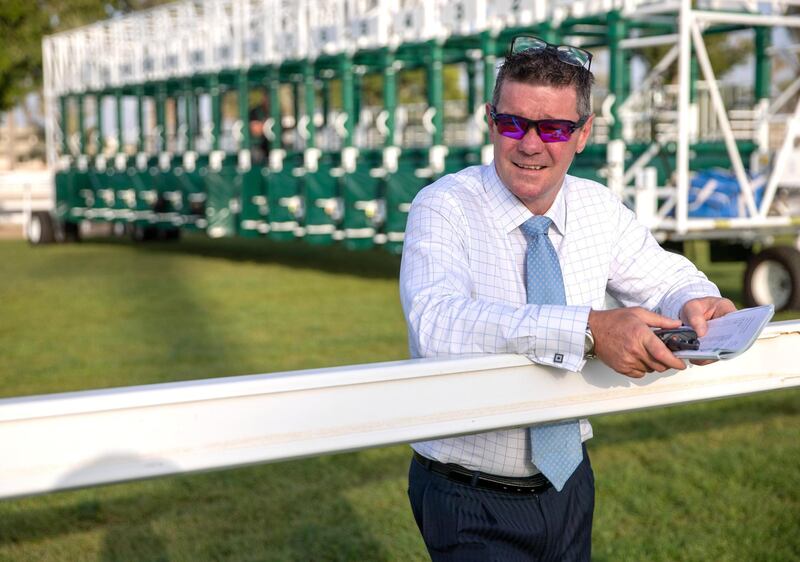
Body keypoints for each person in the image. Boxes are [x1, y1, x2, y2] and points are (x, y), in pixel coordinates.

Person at [399, 36, 735, 561]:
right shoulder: (444, 205)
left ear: (583, 134)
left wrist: (697, 298)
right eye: (513, 123)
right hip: (467, 491)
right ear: (491, 121)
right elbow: (437, 325)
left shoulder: (596, 207)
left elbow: (664, 276)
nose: (531, 145)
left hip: (570, 483)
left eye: (554, 128)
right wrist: (587, 329)